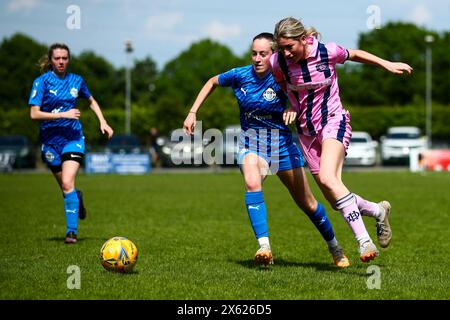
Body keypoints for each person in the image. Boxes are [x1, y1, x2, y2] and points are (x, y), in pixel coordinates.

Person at [183, 33, 350, 267]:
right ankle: (264, 247)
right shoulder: (240, 75)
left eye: (263, 53)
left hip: (282, 145)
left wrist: (293, 108)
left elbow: (303, 101)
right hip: (252, 144)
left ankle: (335, 248)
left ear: (274, 55)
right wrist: (193, 112)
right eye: (254, 53)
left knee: (308, 204)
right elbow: (212, 81)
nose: (257, 58)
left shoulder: (284, 75)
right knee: (252, 182)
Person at [271, 17, 413, 262]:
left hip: (334, 121)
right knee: (335, 200)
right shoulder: (278, 63)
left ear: (303, 40)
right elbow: (282, 85)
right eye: (281, 47)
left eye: (289, 47)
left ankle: (364, 242)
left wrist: (386, 64)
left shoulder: (327, 52)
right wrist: (287, 105)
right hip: (306, 132)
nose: (285, 53)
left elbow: (355, 54)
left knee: (328, 178)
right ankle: (378, 210)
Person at [29, 43, 114, 244]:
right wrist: (62, 114)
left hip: (73, 138)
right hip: (50, 143)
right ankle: (78, 198)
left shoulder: (77, 80)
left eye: (64, 58)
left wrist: (103, 121)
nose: (61, 62)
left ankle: (71, 233)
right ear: (51, 60)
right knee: (67, 188)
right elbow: (34, 114)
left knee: (67, 182)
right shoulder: (41, 82)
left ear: (69, 59)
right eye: (57, 58)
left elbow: (91, 101)